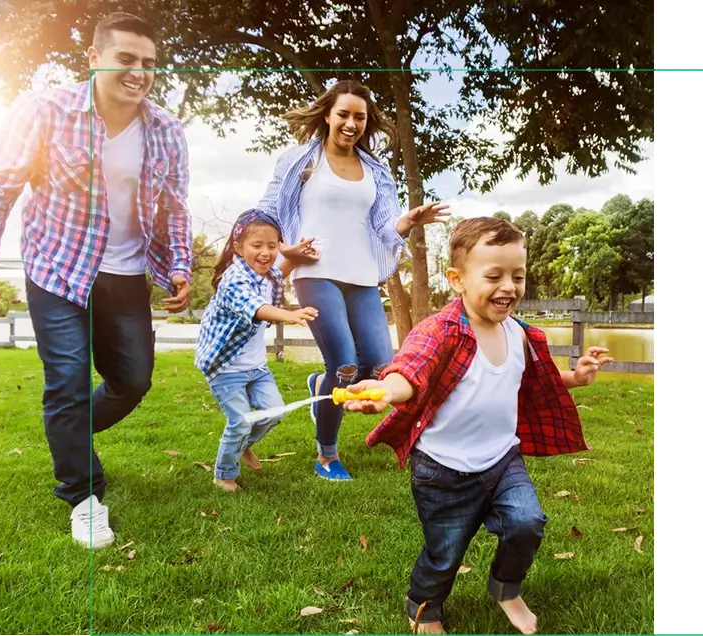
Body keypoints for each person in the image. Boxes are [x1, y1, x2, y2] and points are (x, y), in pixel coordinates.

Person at [0, 12, 193, 549]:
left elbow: (174, 209)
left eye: (149, 64)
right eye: (126, 59)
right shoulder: (45, 110)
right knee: (65, 380)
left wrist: (178, 263)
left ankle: (67, 431)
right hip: (58, 268)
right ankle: (83, 494)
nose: (139, 72)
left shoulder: (166, 129)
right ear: (93, 58)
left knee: (132, 381)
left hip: (127, 273)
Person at [344, 217, 614, 634]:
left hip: (502, 459)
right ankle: (423, 605)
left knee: (527, 522)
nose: (509, 286)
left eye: (518, 276)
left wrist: (576, 377)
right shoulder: (440, 330)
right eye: (494, 275)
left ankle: (506, 587)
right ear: (457, 279)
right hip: (442, 470)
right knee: (444, 551)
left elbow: (534, 378)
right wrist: (386, 391)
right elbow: (409, 370)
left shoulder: (520, 334)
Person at [257, 79, 450, 481]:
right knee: (344, 365)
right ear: (327, 115)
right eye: (343, 114)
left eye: (359, 117)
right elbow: (269, 210)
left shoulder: (376, 171)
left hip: (361, 273)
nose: (351, 123)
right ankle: (327, 455)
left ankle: (320, 386)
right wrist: (284, 252)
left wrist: (409, 221)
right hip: (316, 271)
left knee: (380, 366)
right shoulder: (300, 160)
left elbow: (383, 225)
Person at [195, 210, 320, 493]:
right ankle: (224, 475)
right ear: (238, 249)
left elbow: (281, 270)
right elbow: (256, 308)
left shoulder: (266, 274)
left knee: (274, 412)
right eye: (257, 246)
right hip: (225, 367)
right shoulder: (234, 279)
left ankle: (242, 445)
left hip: (256, 366)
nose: (265, 253)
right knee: (239, 421)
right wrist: (289, 314)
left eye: (272, 246)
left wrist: (296, 256)